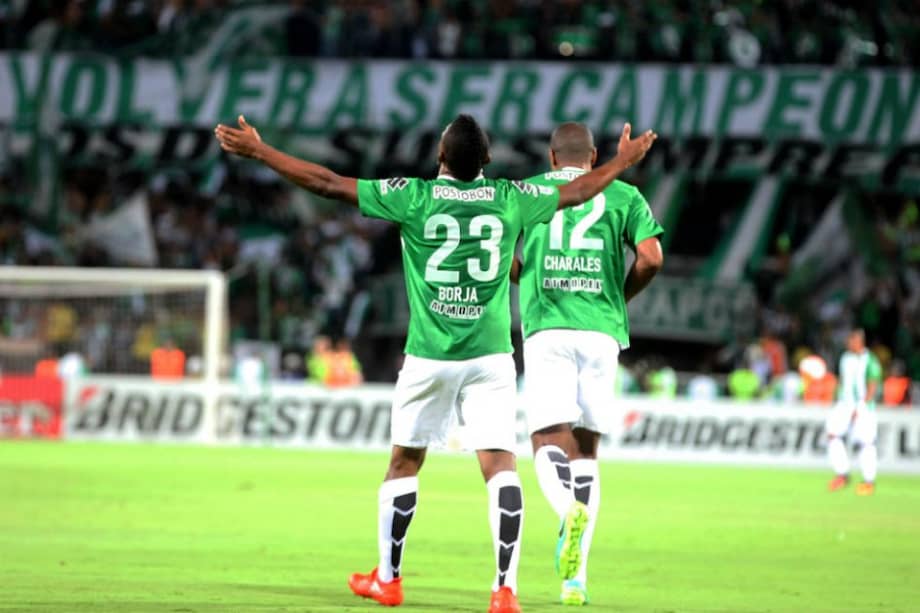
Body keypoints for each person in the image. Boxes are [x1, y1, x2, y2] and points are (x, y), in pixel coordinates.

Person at [215, 114, 657, 612]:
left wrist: (260, 151)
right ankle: (504, 591)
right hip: (491, 357)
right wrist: (625, 160)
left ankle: (388, 578)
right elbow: (580, 191)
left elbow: (326, 183)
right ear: (487, 161)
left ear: (440, 158)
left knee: (405, 463)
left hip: (429, 355)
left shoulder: (414, 196)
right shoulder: (511, 197)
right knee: (501, 469)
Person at [513, 122, 663, 607]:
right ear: (595, 156)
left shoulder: (528, 191)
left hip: (548, 327)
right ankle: (575, 582)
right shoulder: (624, 196)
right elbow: (651, 258)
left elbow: (497, 254)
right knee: (586, 453)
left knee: (544, 440)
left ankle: (565, 512)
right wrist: (617, 298)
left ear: (552, 158)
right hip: (601, 333)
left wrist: (527, 276)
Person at [826, 329, 883, 496]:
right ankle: (842, 474)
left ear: (859, 341)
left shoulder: (870, 360)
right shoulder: (845, 358)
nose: (848, 344)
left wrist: (863, 405)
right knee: (832, 434)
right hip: (844, 404)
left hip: (863, 405)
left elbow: (873, 383)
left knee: (866, 442)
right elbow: (843, 380)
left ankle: (868, 481)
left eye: (851, 340)